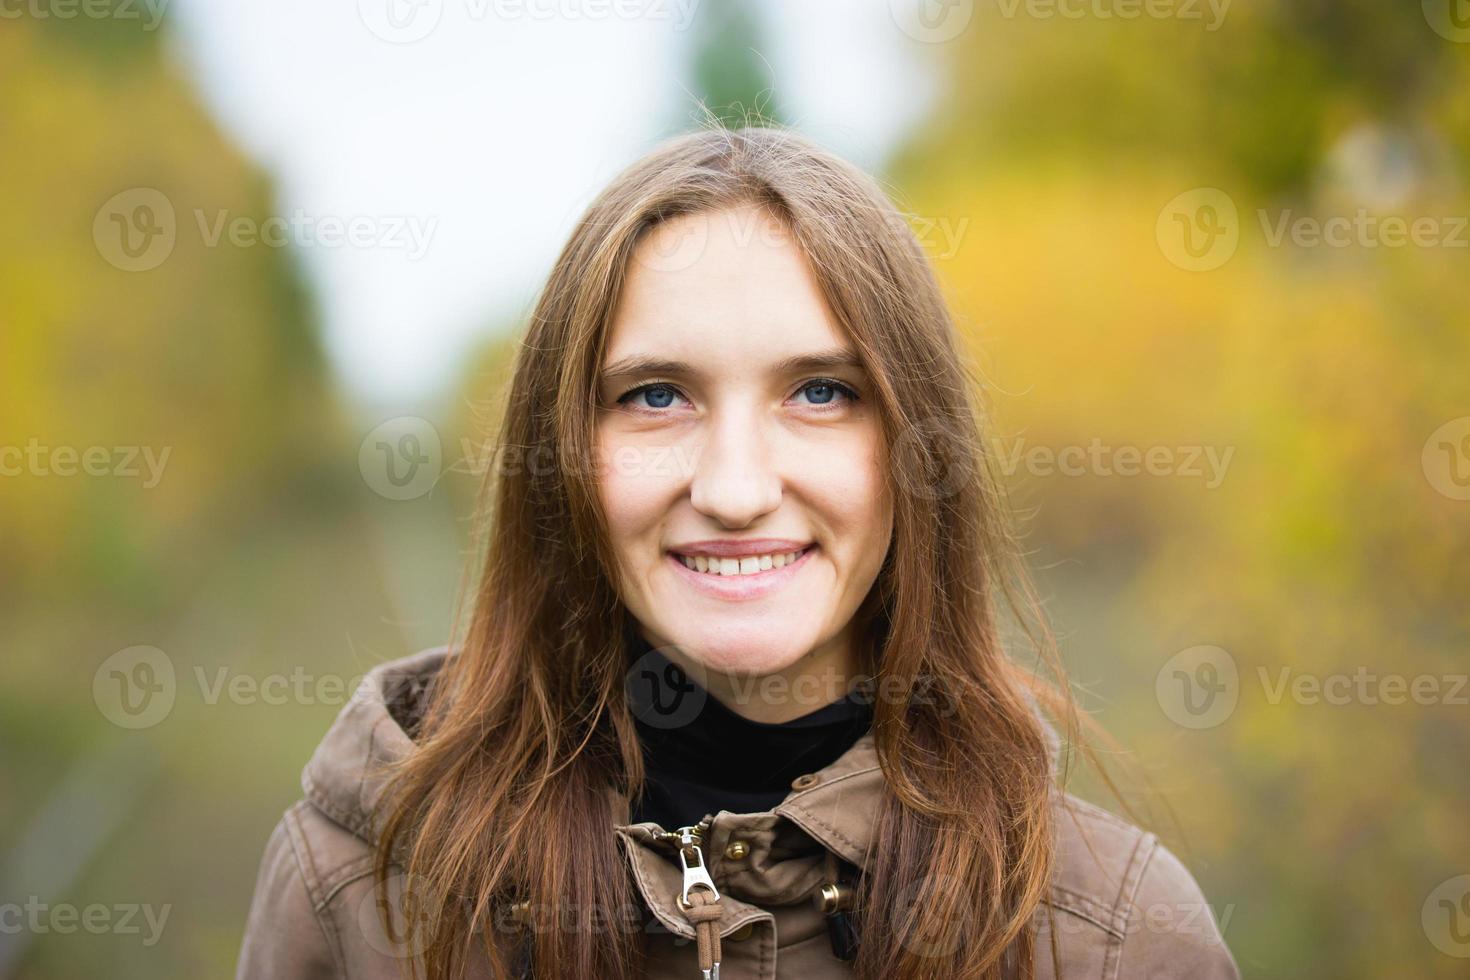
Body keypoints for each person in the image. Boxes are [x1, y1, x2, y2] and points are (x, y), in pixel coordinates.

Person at [236, 125, 1240, 980]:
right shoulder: (364, 899)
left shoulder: (1111, 935)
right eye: (656, 395)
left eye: (819, 392)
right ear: (562, 462)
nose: (734, 488)